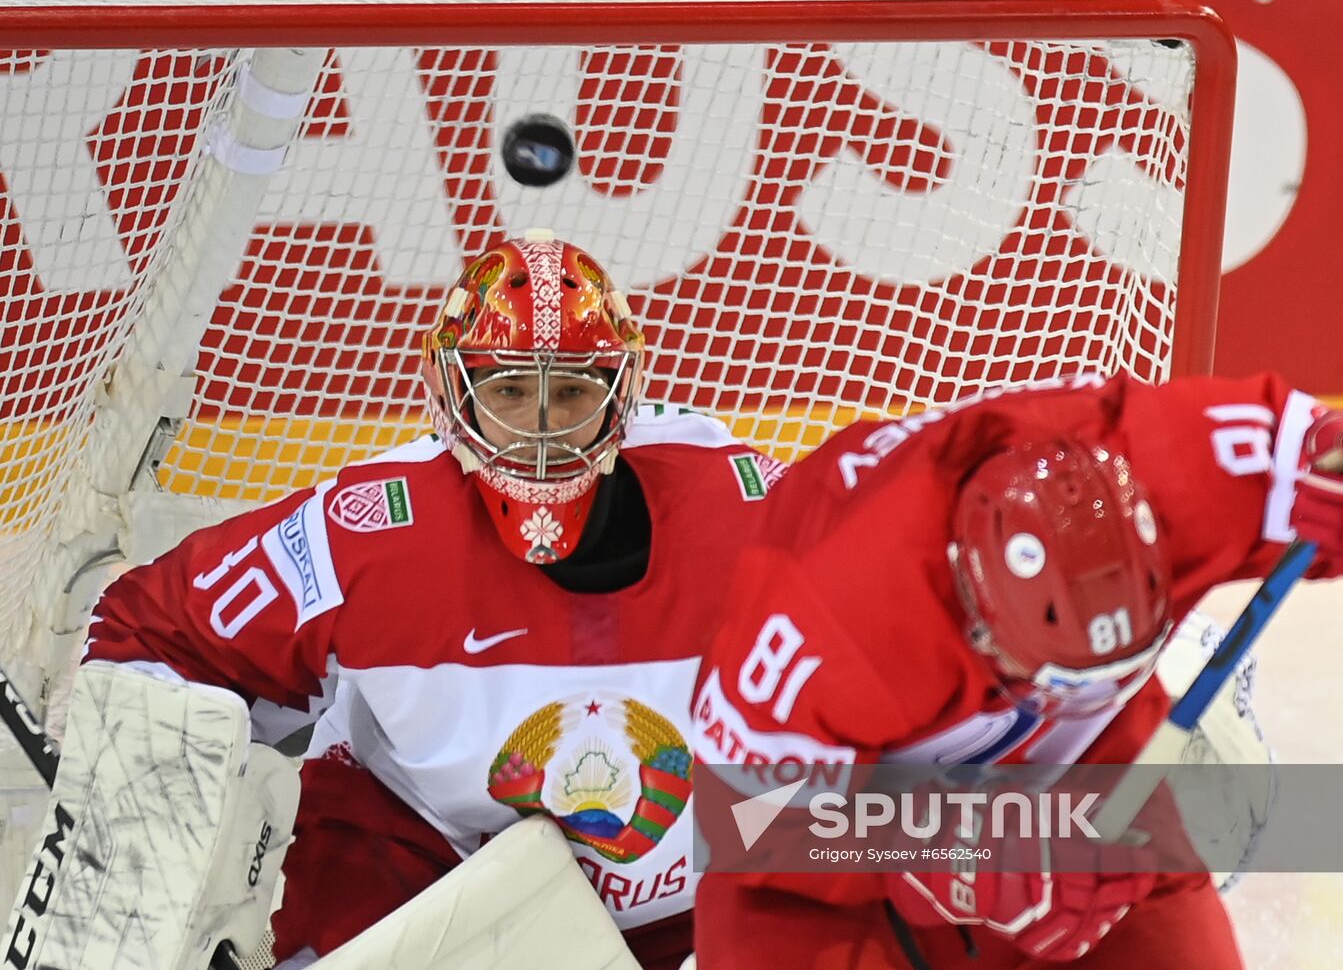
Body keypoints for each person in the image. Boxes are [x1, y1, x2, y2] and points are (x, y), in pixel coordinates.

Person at [23, 231, 789, 970]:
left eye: (574, 390)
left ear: (621, 396)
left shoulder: (748, 509)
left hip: (686, 890)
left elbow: (893, 707)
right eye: (511, 390)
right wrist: (147, 833)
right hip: (420, 860)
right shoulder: (369, 532)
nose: (544, 430)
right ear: (452, 396)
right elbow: (149, 632)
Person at [690, 371, 1343, 969]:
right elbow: (744, 821)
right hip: (840, 875)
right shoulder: (828, 617)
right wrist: (945, 852)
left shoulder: (1178, 469)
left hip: (1094, 800)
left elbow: (1310, 446)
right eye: (1059, 684)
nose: (1085, 701)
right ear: (971, 615)